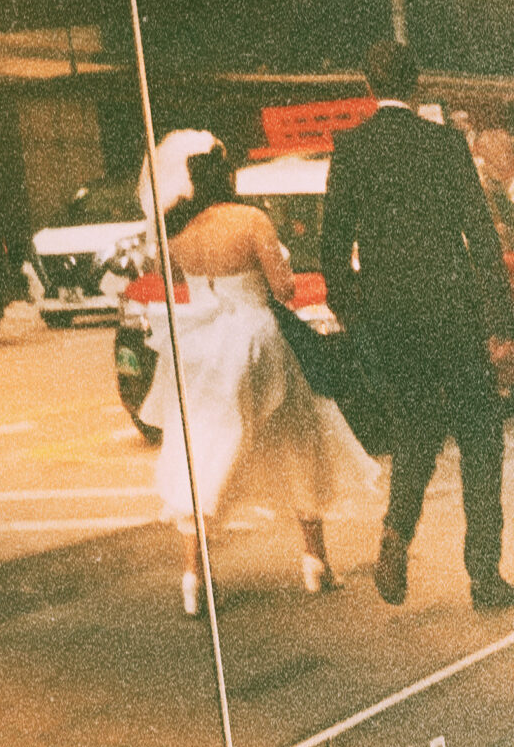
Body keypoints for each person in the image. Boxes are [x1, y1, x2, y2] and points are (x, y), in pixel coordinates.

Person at [321, 39, 514, 611]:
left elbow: (335, 248)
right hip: (452, 310)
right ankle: (483, 574)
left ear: (369, 84)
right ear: (416, 81)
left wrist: (356, 313)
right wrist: (500, 320)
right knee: (480, 436)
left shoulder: (351, 148)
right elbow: (480, 234)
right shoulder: (444, 144)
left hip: (392, 318)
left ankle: (395, 535)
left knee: (415, 433)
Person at [140, 140, 370, 617]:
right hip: (256, 338)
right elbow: (284, 289)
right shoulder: (251, 222)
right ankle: (315, 561)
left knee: (202, 451)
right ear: (228, 178)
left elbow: (180, 284)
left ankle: (193, 577)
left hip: (203, 344)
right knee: (300, 438)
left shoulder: (180, 236)